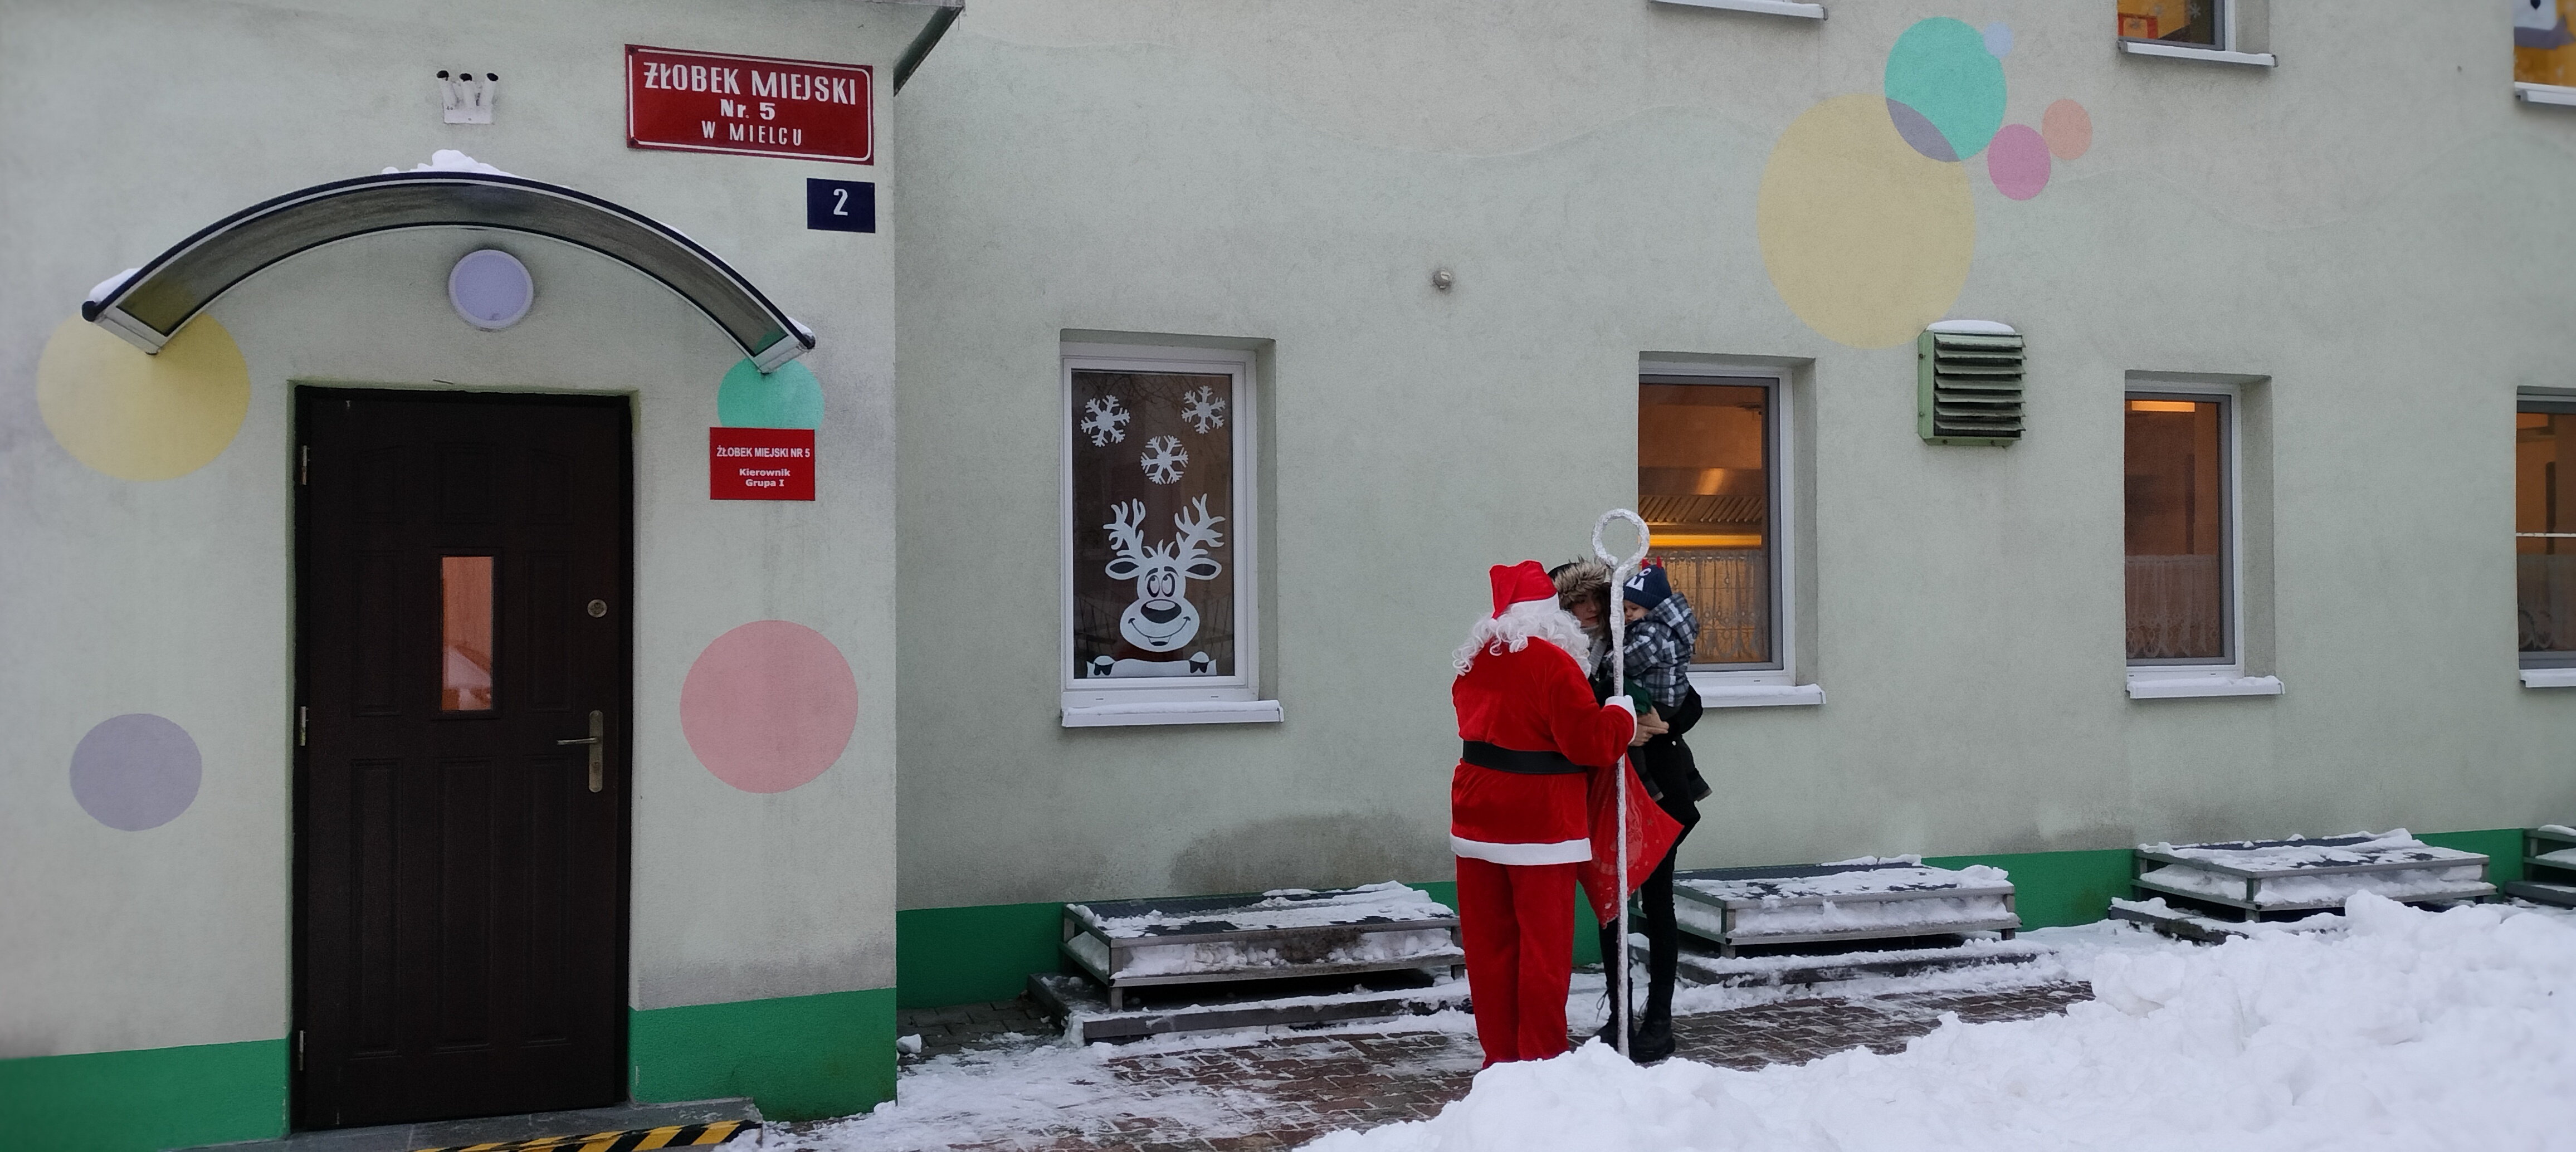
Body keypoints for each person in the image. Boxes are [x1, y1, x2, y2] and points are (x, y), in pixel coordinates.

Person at [1448, 560, 1638, 1067]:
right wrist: (1620, 714)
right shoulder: (1553, 663)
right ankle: (1540, 1061)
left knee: (1490, 949)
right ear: (1548, 616)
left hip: (1476, 815)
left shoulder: (1475, 659)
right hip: (1541, 821)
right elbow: (1590, 744)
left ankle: (1500, 1058)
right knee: (1543, 952)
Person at [1552, 559, 1709, 1062]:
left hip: (1658, 789)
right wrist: (1616, 723)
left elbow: (1689, 702)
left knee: (1658, 904)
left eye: (1593, 599)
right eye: (1575, 603)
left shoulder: (1634, 639)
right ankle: (1619, 1015)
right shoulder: (1564, 653)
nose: (1588, 610)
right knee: (1611, 905)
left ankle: (1659, 1020)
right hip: (1605, 792)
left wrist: (1658, 723)